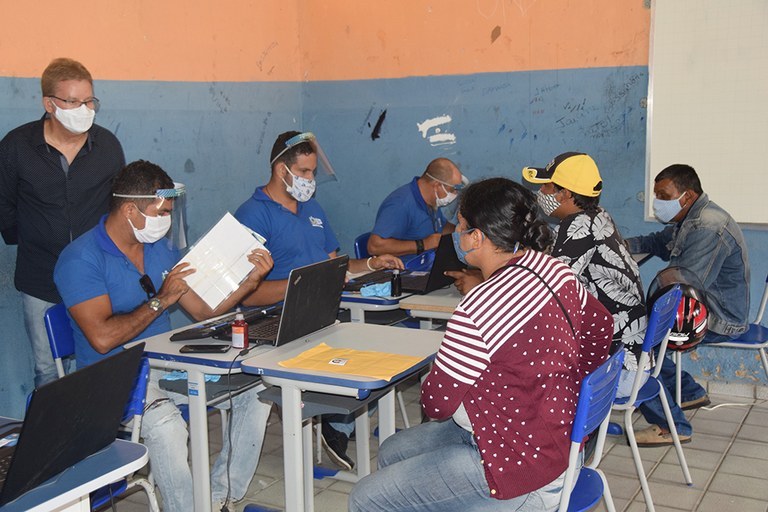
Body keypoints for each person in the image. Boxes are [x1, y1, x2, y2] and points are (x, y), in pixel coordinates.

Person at [348, 177, 613, 512]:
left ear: (476, 237)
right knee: (393, 450)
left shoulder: (479, 305)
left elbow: (437, 404)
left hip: (526, 473)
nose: (456, 234)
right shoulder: (554, 269)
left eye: (460, 225)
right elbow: (602, 325)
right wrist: (569, 384)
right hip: (553, 441)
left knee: (365, 497)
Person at [54, 160, 274, 512]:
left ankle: (219, 496)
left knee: (256, 389)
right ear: (130, 210)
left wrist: (249, 282)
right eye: (161, 213)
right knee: (167, 425)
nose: (166, 221)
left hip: (165, 365)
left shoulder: (159, 248)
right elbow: (103, 339)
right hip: (111, 378)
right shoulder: (80, 259)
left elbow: (201, 311)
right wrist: (161, 300)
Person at [235, 130, 403, 470]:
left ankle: (336, 422)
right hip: (276, 319)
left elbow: (334, 267)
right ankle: (333, 421)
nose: (310, 180)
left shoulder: (312, 208)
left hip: (320, 314)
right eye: (304, 172)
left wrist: (372, 264)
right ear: (281, 169)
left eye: (313, 172)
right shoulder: (252, 215)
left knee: (383, 358)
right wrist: (301, 287)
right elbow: (246, 292)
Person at [0, 57, 125, 387]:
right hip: (40, 277)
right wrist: (31, 238)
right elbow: (4, 206)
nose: (84, 109)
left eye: (89, 101)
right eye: (73, 101)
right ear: (49, 104)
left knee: (100, 364)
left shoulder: (107, 146)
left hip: (97, 277)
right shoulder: (16, 147)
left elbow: (118, 208)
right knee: (48, 371)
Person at [625, 163, 750, 446]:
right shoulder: (690, 218)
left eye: (664, 196)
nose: (657, 202)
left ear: (688, 196)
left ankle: (671, 425)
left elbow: (680, 287)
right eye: (656, 195)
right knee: (638, 331)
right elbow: (657, 242)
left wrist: (639, 316)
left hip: (718, 317)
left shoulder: (707, 226)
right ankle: (690, 392)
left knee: (635, 342)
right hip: (700, 307)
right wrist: (617, 245)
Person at [522, 152, 648, 397]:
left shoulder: (578, 226)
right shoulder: (597, 215)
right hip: (631, 358)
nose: (541, 192)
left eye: (546, 186)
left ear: (565, 194)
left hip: (615, 371)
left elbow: (546, 291)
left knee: (522, 372)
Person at [367, 158, 465, 257]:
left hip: (430, 261)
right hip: (405, 265)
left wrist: (464, 230)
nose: (455, 194)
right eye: (452, 189)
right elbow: (374, 247)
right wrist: (423, 244)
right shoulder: (400, 204)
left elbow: (442, 228)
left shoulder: (432, 200)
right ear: (437, 185)